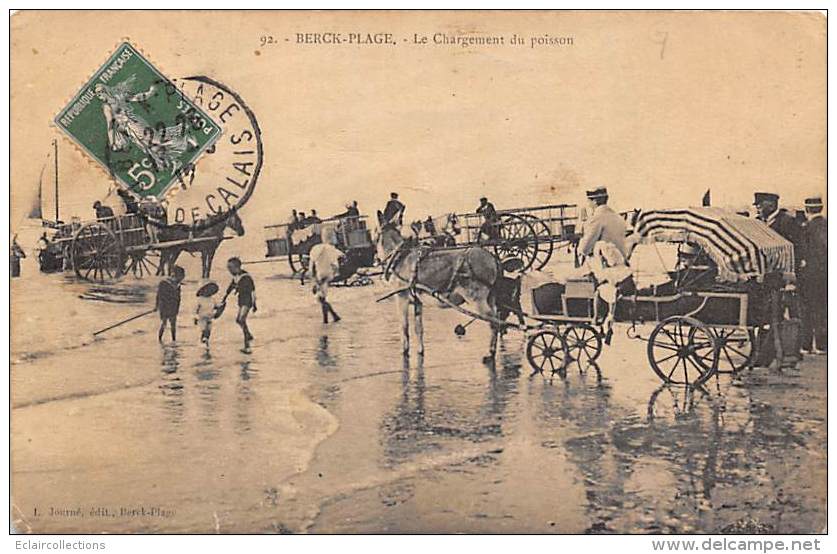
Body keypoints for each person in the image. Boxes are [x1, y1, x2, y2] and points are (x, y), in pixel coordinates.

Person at [799, 196, 827, 354]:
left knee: (806, 310)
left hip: (809, 275)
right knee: (822, 310)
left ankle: (806, 345)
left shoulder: (807, 228)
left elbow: (804, 252)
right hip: (825, 275)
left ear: (807, 209)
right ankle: (823, 345)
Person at [577, 187, 628, 259]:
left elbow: (585, 249)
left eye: (588, 201)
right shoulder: (618, 217)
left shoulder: (596, 218)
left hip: (605, 265)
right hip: (621, 261)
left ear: (594, 201)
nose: (588, 204)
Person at [222, 257, 257, 352]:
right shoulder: (236, 276)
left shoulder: (246, 277)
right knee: (239, 320)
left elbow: (253, 291)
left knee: (241, 319)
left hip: (247, 301)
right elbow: (231, 286)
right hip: (241, 300)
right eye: (228, 268)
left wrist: (254, 304)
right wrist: (225, 297)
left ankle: (247, 343)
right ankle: (248, 335)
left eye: (230, 267)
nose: (229, 270)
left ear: (237, 267)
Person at [155, 265, 185, 343]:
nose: (182, 279)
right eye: (181, 277)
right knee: (164, 323)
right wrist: (157, 306)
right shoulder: (164, 283)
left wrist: (177, 308)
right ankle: (160, 340)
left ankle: (173, 340)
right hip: (164, 306)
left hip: (173, 307)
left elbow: (179, 298)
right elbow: (159, 295)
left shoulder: (178, 285)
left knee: (173, 324)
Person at [194, 281, 221, 347]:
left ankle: (206, 342)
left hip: (210, 317)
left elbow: (216, 306)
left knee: (208, 330)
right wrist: (195, 318)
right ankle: (203, 341)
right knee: (204, 329)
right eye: (208, 290)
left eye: (211, 291)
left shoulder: (212, 299)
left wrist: (221, 307)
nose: (209, 292)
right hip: (202, 317)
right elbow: (195, 310)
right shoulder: (200, 299)